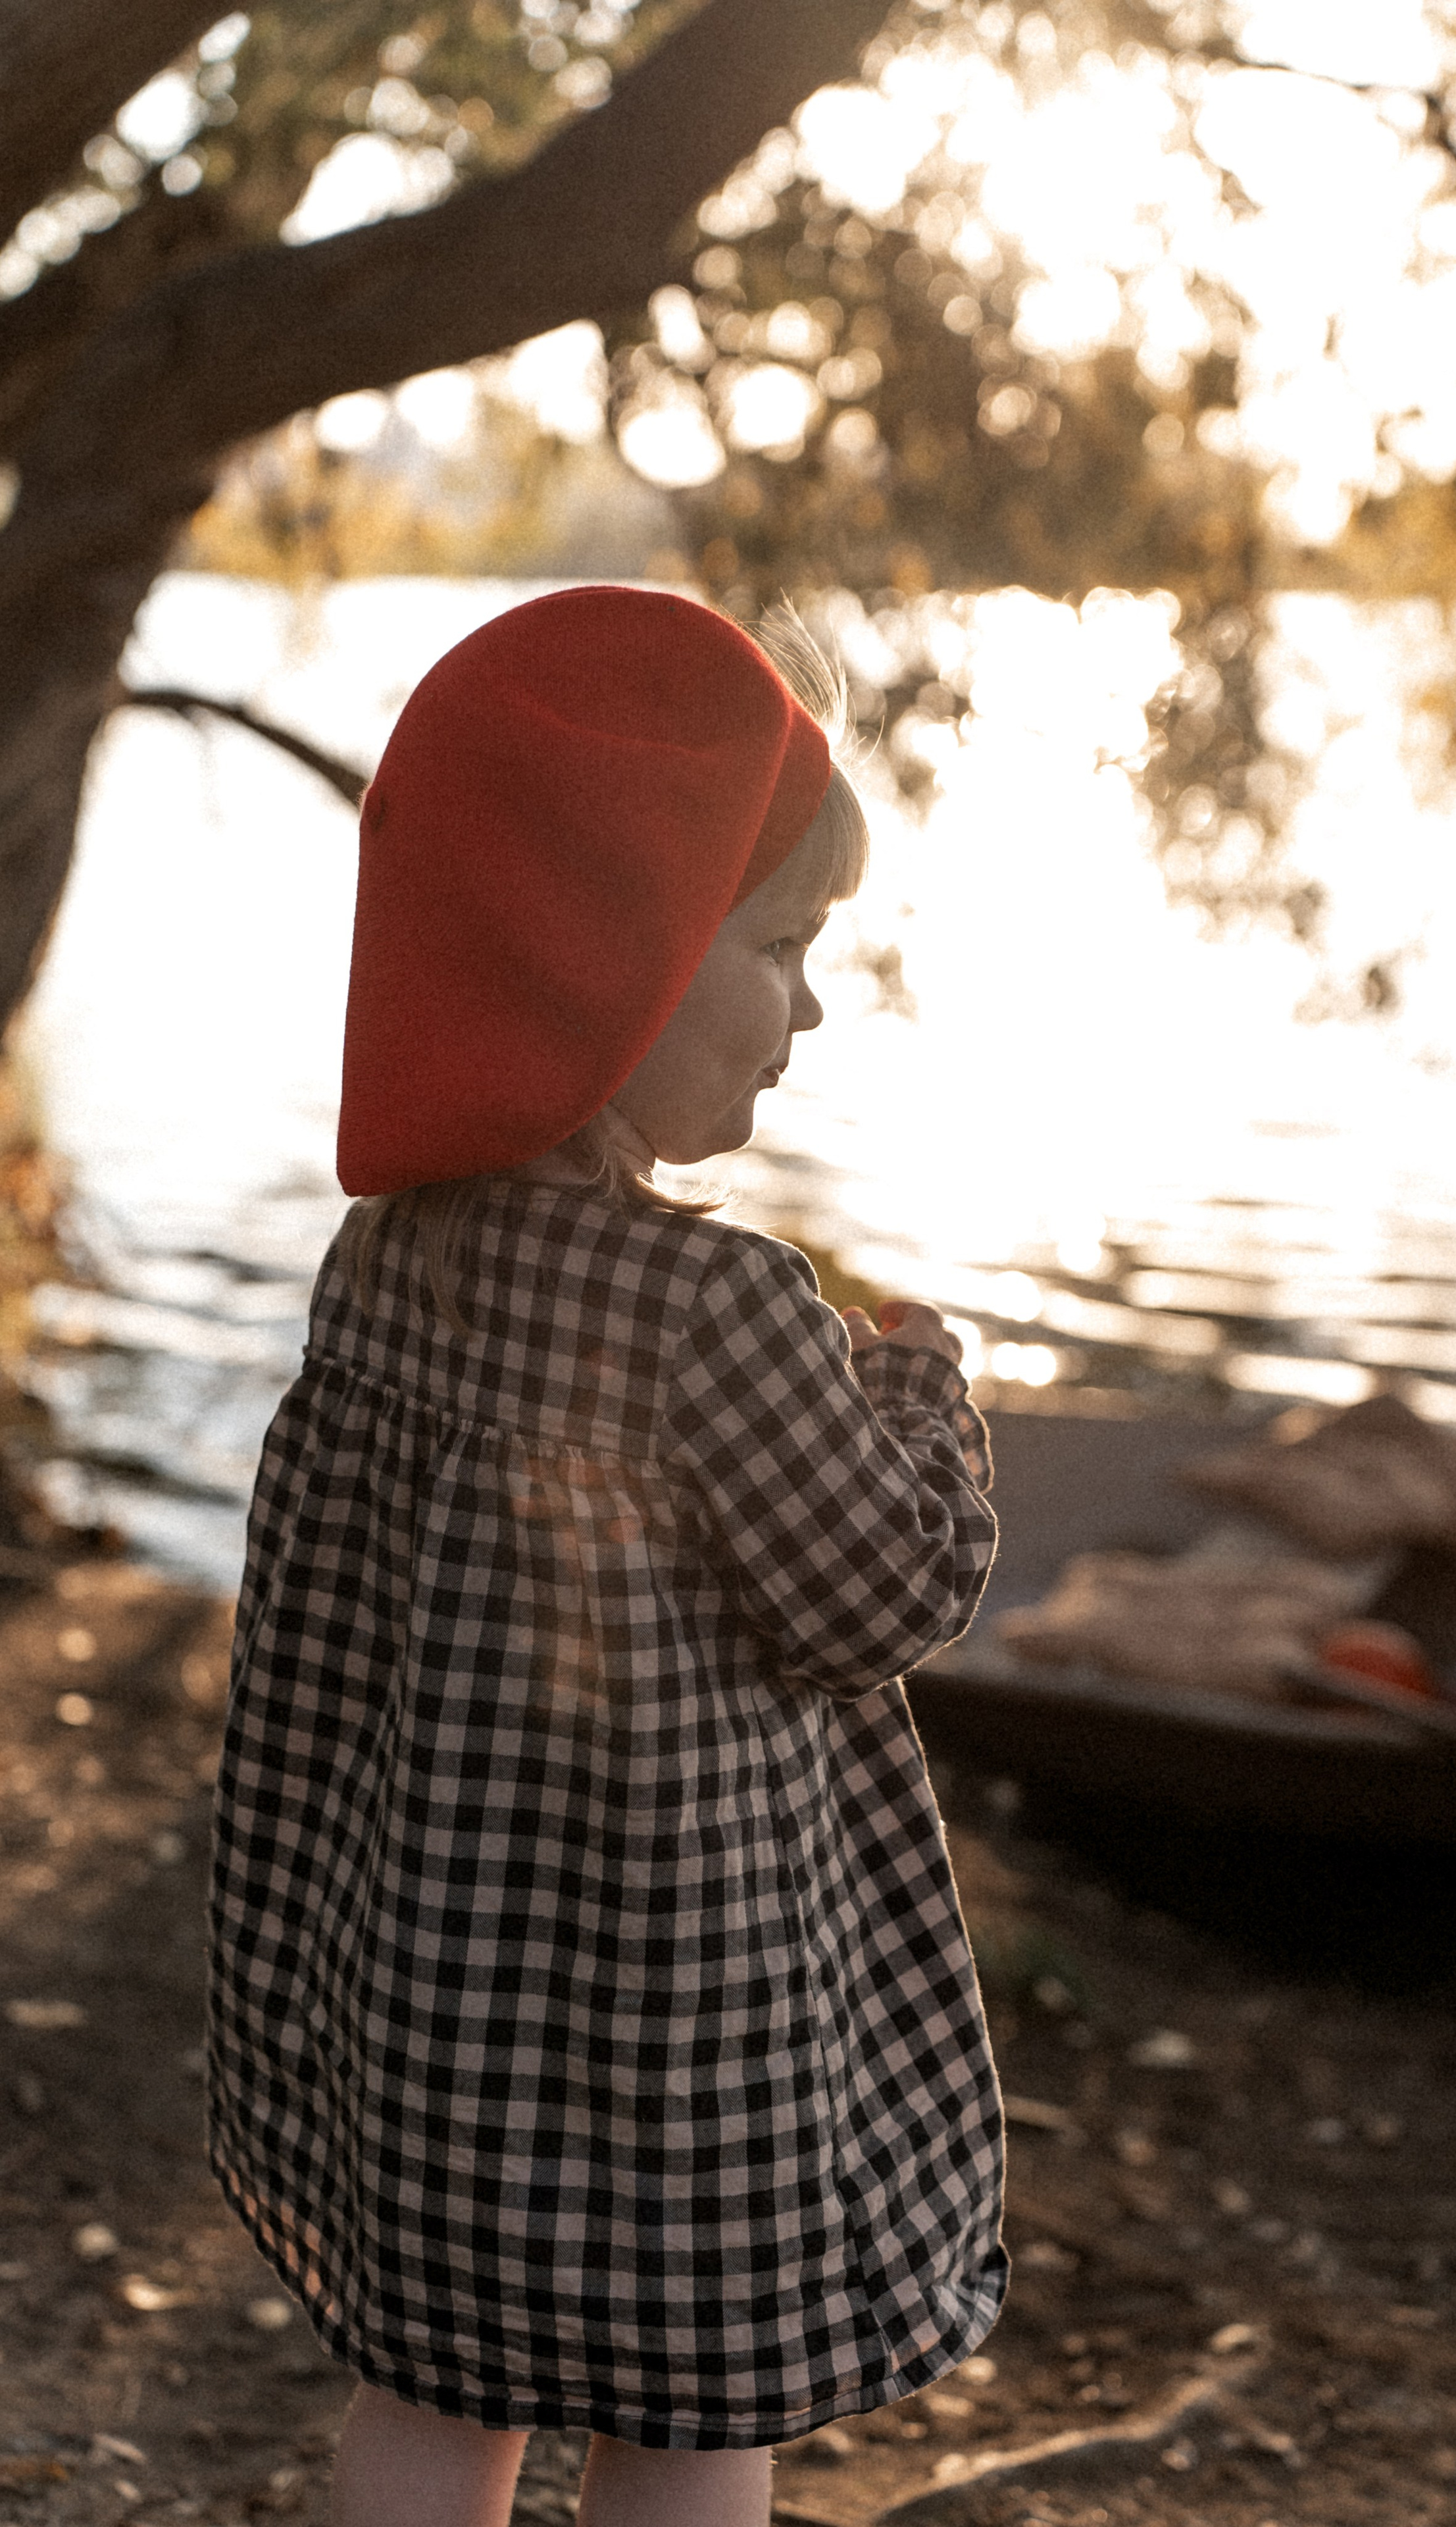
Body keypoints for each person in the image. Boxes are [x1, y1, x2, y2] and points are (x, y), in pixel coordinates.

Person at [205, 587, 1006, 2527]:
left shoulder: (381, 1266)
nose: (812, 1008)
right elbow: (880, 1597)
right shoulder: (720, 1309)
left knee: (434, 2387)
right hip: (686, 2027)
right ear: (611, 959)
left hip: (428, 1993)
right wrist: (924, 1397)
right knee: (691, 2412)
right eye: (781, 948)